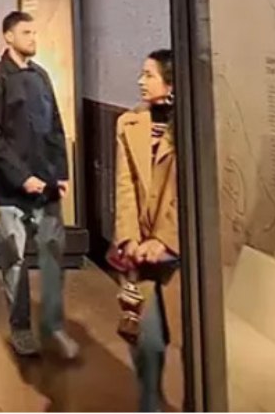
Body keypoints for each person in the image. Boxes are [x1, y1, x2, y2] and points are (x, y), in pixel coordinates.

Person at [0, 11, 79, 359]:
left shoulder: (41, 76)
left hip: (47, 187)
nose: (33, 38)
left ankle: (53, 326)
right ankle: (20, 328)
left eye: (35, 32)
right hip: (12, 191)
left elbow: (55, 125)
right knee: (15, 260)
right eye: (26, 32)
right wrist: (22, 177)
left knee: (52, 258)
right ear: (8, 36)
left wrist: (61, 172)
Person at [111, 49, 180, 412]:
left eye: (149, 75)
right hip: (139, 253)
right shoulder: (129, 124)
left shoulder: (194, 125)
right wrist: (129, 238)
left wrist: (165, 240)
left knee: (188, 344)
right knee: (145, 340)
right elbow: (124, 187)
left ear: (171, 82)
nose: (141, 81)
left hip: (178, 253)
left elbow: (190, 192)